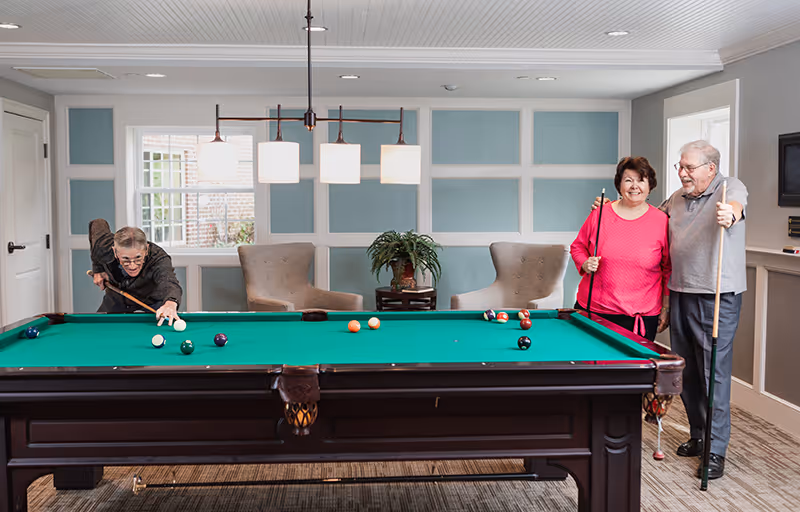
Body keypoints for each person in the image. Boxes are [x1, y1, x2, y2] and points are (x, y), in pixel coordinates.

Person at [593, 140, 747, 480]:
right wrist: (609, 206)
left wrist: (731, 212)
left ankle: (715, 449)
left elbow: (737, 203)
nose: (682, 173)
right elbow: (641, 211)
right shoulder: (676, 199)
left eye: (689, 167)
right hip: (680, 291)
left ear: (710, 168)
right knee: (686, 370)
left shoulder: (728, 187)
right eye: (680, 166)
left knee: (713, 373)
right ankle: (697, 435)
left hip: (715, 294)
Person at [570, 156, 671, 342]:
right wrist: (584, 263)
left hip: (640, 318)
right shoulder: (600, 214)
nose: (635, 186)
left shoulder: (661, 221)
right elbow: (577, 247)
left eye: (641, 180)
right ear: (619, 185)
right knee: (590, 368)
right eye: (628, 180)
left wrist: (666, 307)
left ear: (650, 186)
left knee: (633, 370)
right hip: (594, 311)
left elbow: (667, 268)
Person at [89, 219, 183, 326]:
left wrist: (170, 303)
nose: (132, 265)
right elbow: (98, 223)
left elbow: (169, 282)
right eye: (126, 259)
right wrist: (98, 269)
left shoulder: (159, 258)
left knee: (164, 325)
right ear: (115, 252)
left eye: (138, 258)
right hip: (118, 296)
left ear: (146, 250)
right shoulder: (104, 247)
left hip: (152, 299)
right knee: (99, 327)